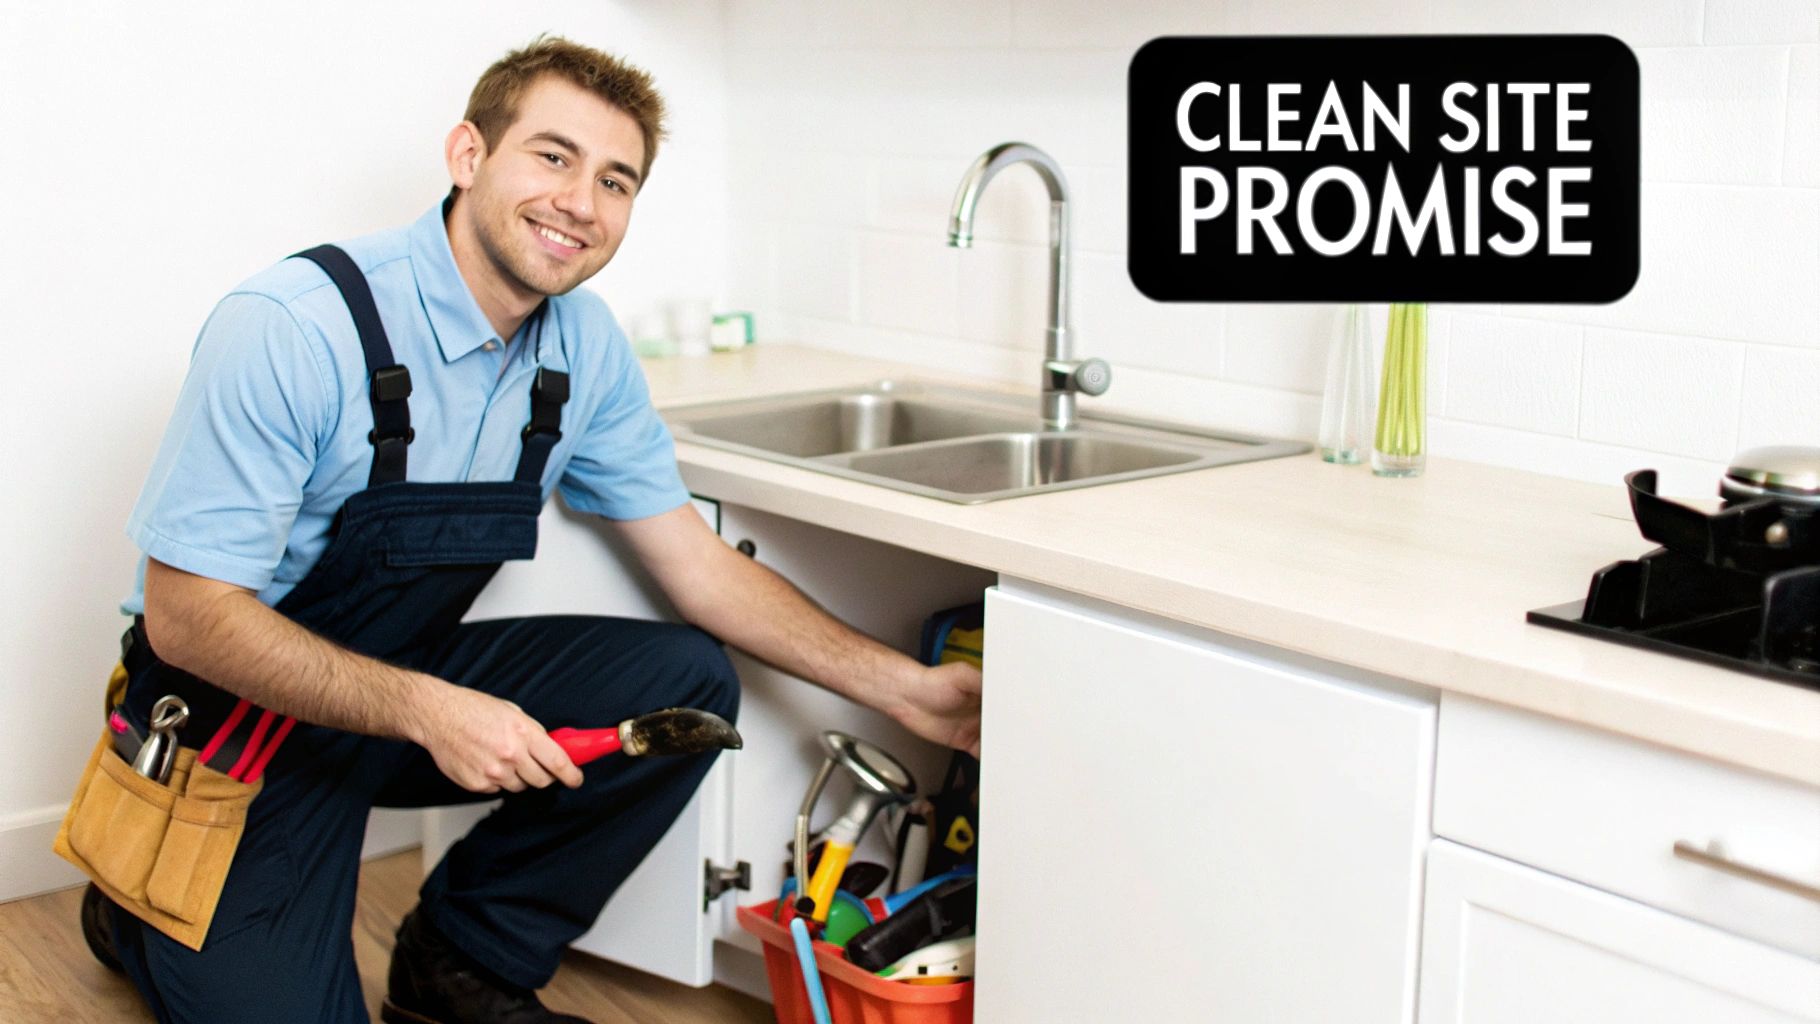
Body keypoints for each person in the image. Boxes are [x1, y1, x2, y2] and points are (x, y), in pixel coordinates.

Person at [98, 35, 982, 1024]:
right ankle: (131, 899)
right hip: (237, 730)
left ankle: (460, 966)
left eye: (615, 179)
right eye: (552, 157)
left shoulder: (581, 348)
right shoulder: (296, 327)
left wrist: (908, 692)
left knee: (682, 684)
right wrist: (431, 712)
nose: (580, 202)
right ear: (468, 155)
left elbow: (695, 566)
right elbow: (187, 619)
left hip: (398, 693)